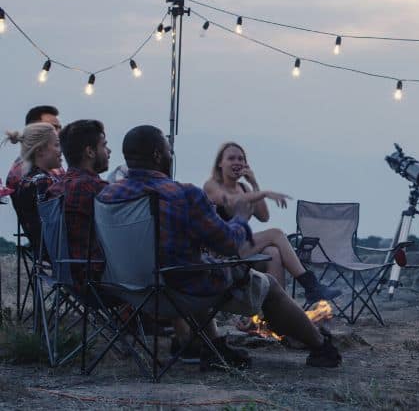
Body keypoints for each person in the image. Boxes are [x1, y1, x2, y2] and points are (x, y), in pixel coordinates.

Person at [97, 126, 341, 368]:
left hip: (130, 292)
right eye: (169, 150)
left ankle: (214, 348)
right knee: (267, 285)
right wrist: (240, 219)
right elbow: (227, 245)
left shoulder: (106, 196)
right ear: (158, 155)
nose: (171, 155)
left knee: (194, 265)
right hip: (176, 290)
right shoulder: (183, 194)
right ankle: (321, 347)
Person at [203, 142, 340, 304]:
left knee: (273, 253)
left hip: (238, 247)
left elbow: (263, 216)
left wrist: (254, 184)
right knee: (275, 233)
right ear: (220, 163)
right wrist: (265, 193)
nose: (237, 162)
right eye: (231, 158)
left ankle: (275, 312)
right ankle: (311, 286)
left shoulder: (245, 188)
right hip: (219, 253)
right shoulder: (212, 185)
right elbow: (231, 202)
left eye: (241, 159)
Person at [46, 120, 111, 283]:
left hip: (66, 277)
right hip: (99, 279)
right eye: (104, 145)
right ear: (90, 152)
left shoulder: (54, 190)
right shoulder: (98, 189)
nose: (108, 151)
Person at [3, 122, 63, 256]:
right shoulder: (44, 181)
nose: (60, 150)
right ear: (40, 150)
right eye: (57, 145)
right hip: (62, 254)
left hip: (42, 252)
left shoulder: (26, 181)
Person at [6, 105, 63, 193]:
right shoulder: (21, 171)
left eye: (60, 128)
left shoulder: (52, 163)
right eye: (53, 127)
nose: (59, 132)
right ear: (33, 129)